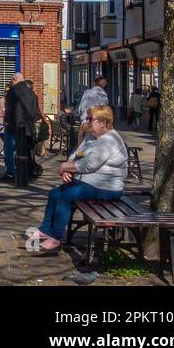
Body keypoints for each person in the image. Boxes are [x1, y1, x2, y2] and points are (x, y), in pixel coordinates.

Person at [30, 105, 128, 253]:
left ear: (103, 122)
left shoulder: (109, 140)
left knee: (65, 197)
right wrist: (67, 170)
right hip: (88, 183)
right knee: (54, 193)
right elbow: (75, 155)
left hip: (106, 187)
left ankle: (56, 238)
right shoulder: (91, 137)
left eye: (91, 119)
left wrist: (65, 166)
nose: (87, 122)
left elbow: (89, 165)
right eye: (88, 118)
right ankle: (45, 230)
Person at [2, 72, 41, 185]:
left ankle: (10, 173)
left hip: (14, 126)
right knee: (24, 152)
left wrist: (7, 123)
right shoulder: (32, 93)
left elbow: (9, 111)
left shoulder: (12, 92)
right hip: (27, 128)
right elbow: (37, 114)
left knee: (10, 150)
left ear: (14, 80)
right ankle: (24, 173)